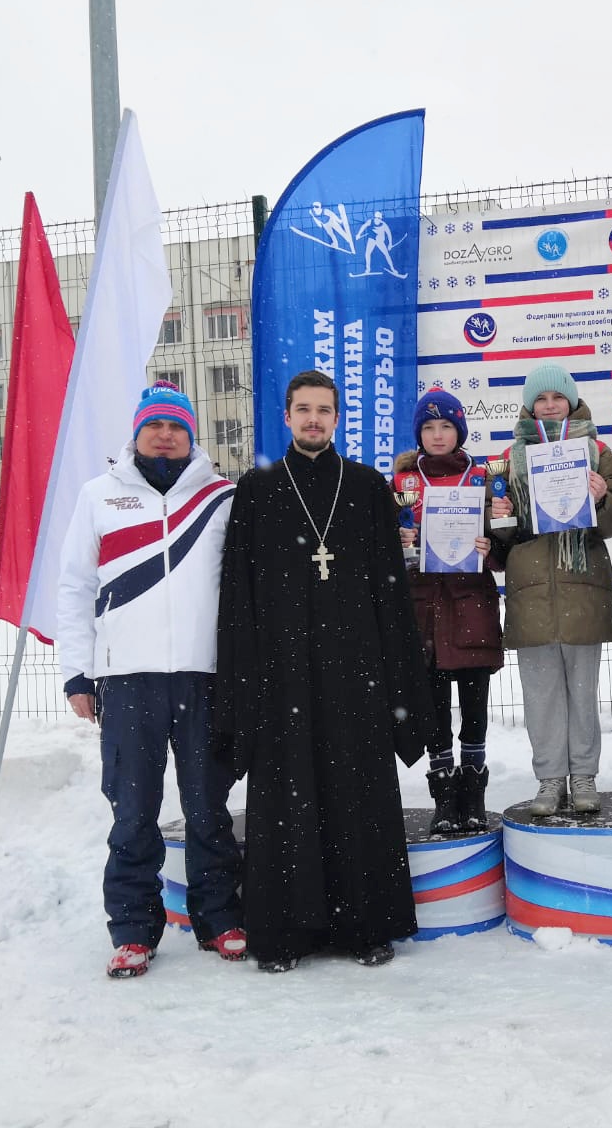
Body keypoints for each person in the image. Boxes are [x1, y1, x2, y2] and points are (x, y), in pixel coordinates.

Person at [211, 370, 436, 972]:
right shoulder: (255, 491)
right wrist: (242, 682)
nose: (314, 420)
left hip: (354, 670)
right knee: (288, 798)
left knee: (357, 792)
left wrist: (398, 679)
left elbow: (392, 595)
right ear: (286, 417)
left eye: (324, 411)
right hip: (281, 672)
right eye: (303, 410)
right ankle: (285, 931)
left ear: (338, 418)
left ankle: (365, 925)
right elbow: (238, 595)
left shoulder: (364, 488)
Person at [57, 381, 245, 979]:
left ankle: (220, 919)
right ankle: (134, 929)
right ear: (136, 432)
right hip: (126, 679)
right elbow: (74, 588)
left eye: (177, 427)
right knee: (132, 811)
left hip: (202, 677)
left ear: (192, 435)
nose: (165, 436)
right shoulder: (99, 496)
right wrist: (77, 673)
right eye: (155, 426)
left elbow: (242, 589)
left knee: (207, 808)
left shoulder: (221, 497)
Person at [490, 364, 612, 816]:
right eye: (541, 399)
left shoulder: (598, 452)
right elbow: (502, 538)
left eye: (557, 397)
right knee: (541, 696)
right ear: (530, 405)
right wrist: (502, 514)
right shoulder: (511, 458)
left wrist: (603, 496)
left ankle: (584, 775)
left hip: (582, 584)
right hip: (530, 592)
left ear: (571, 400)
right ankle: (550, 779)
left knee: (583, 693)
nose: (549, 406)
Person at [394, 389, 502, 834]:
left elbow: (506, 546)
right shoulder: (402, 481)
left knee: (474, 705)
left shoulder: (483, 476)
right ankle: (443, 798)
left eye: (446, 426)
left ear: (459, 430)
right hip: (424, 610)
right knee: (435, 706)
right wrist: (397, 545)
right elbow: (385, 548)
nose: (437, 435)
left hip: (470, 603)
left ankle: (473, 796)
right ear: (419, 433)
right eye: (428, 427)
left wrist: (490, 546)